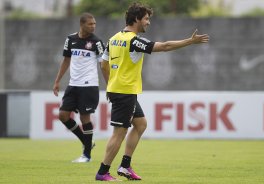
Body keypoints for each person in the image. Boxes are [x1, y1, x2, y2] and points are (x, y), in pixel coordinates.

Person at [95, 2, 209, 181]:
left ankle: (125, 166)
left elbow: (103, 64)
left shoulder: (114, 38)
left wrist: (111, 84)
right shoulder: (134, 40)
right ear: (136, 19)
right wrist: (190, 41)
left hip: (120, 90)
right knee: (119, 133)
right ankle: (102, 172)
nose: (148, 22)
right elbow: (164, 47)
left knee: (140, 124)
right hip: (125, 92)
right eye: (146, 19)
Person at [53, 12, 105, 163]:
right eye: (90, 24)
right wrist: (57, 81)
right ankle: (87, 141)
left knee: (84, 118)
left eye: (94, 23)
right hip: (73, 85)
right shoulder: (70, 39)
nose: (93, 26)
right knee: (63, 115)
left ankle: (87, 155)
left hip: (89, 85)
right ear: (82, 24)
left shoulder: (97, 42)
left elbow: (104, 65)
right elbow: (66, 60)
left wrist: (110, 84)